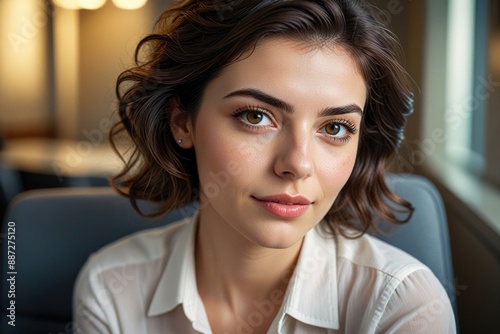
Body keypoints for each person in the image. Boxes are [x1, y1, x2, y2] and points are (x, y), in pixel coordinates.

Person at [73, 0, 456, 333]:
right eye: (256, 117)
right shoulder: (111, 288)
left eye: (335, 127)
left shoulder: (403, 306)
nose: (298, 164)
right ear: (182, 122)